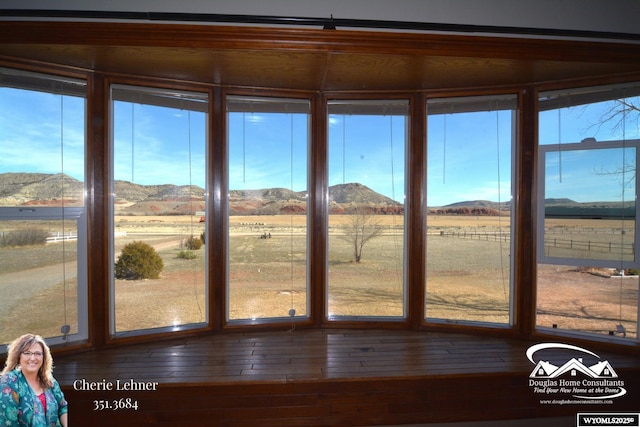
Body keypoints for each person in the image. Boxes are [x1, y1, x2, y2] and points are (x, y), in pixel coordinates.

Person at [0, 334, 68, 426]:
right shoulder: (8, 382)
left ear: (44, 358)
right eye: (27, 353)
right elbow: (8, 423)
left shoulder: (49, 380)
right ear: (18, 356)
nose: (33, 358)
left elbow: (63, 407)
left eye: (38, 353)